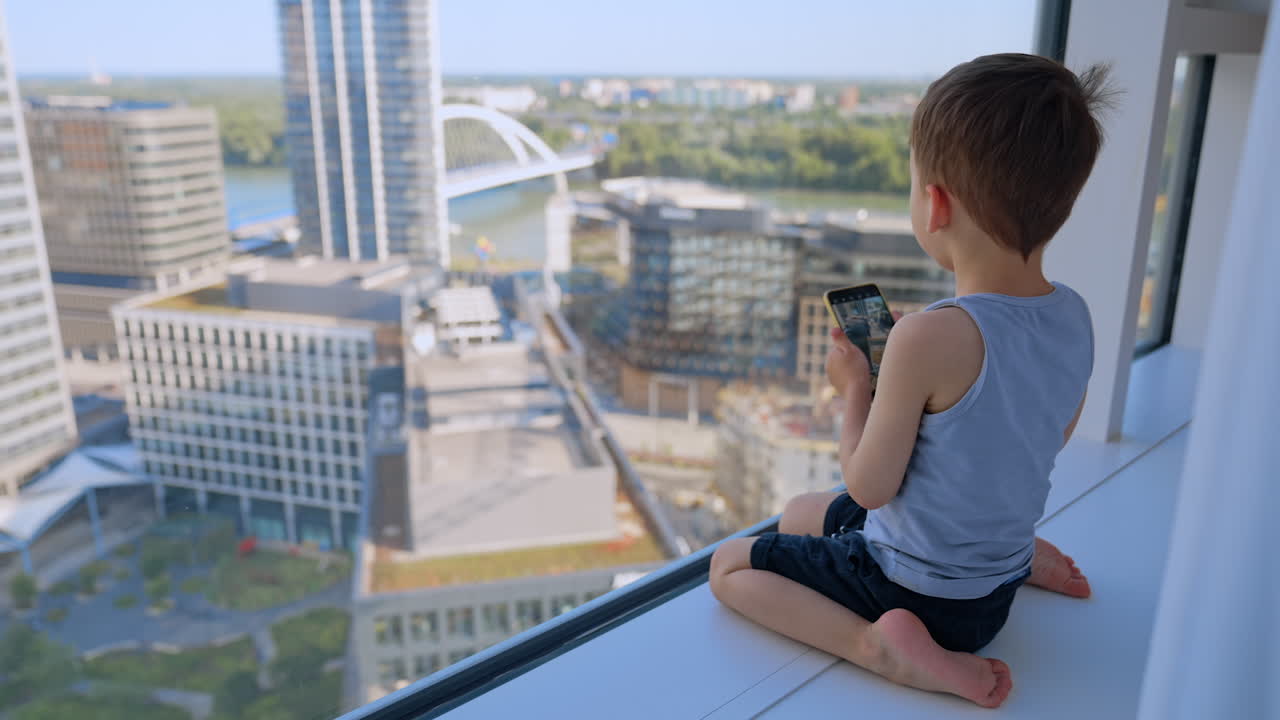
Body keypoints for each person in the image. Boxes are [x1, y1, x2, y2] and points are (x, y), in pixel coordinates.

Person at [709, 53, 1112, 709]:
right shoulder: (1072, 314)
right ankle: (1018, 553)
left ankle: (879, 647)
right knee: (801, 513)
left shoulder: (928, 338)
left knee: (729, 564)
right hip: (992, 591)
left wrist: (858, 390)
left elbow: (869, 484)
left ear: (935, 203)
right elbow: (1044, 433)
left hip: (914, 594)